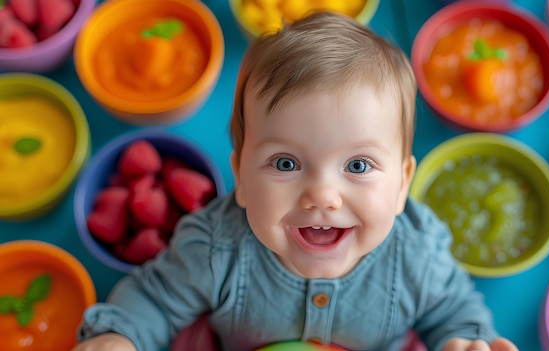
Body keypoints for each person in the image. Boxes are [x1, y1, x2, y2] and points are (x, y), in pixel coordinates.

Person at [73, 11, 519, 351]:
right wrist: (120, 337)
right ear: (242, 178)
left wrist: (465, 339)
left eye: (359, 166)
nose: (322, 195)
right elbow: (154, 299)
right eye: (285, 163)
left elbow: (455, 310)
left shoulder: (418, 257)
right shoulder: (215, 248)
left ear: (402, 185)